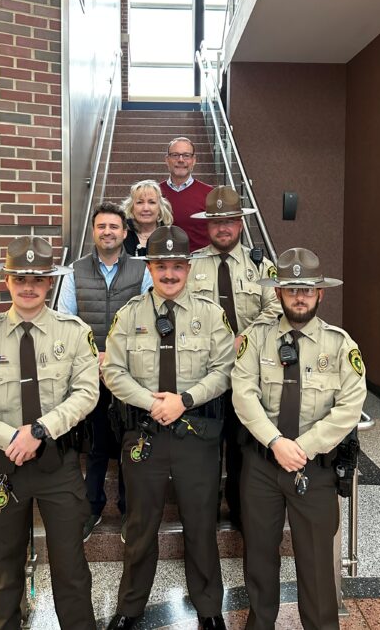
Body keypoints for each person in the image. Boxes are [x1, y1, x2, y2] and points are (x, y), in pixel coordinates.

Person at [0, 236, 100, 630]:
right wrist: (9, 437)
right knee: (4, 569)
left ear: (50, 283)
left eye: (37, 279)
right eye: (19, 278)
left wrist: (41, 430)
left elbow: (87, 393)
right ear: (7, 281)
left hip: (58, 466)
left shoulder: (74, 333)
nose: (28, 287)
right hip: (3, 468)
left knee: (71, 570)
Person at [103, 226, 235, 630]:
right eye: (161, 266)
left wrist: (184, 400)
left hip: (197, 435)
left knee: (201, 524)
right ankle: (130, 608)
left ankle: (209, 608)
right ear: (150, 269)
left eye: (177, 265)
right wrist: (153, 403)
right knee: (140, 527)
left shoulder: (210, 315)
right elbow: (113, 371)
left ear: (188, 268)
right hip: (145, 434)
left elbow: (224, 369)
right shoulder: (129, 314)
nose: (170, 273)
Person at [231, 248, 367, 630]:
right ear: (278, 293)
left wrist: (302, 448)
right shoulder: (256, 339)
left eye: (307, 289)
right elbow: (243, 395)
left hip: (315, 470)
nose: (300, 297)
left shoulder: (340, 345)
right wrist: (276, 442)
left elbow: (349, 408)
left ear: (320, 294)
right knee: (259, 558)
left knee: (317, 564)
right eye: (291, 289)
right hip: (262, 466)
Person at [58, 202, 152, 543]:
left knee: (130, 442)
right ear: (94, 231)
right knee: (96, 444)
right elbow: (65, 321)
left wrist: (114, 357)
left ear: (125, 233)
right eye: (102, 226)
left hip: (130, 372)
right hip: (91, 374)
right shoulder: (75, 271)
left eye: (114, 227)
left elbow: (149, 318)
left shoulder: (142, 270)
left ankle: (129, 510)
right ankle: (92, 508)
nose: (108, 232)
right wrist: (91, 358)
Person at [189, 185, 282, 527]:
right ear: (207, 226)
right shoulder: (191, 265)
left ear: (240, 223)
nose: (223, 228)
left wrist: (245, 337)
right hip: (206, 373)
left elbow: (275, 309)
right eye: (216, 222)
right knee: (205, 448)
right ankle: (206, 513)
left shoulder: (262, 266)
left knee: (245, 446)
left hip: (250, 373)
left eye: (229, 220)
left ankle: (242, 512)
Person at [159, 136, 212, 252]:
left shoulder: (210, 194)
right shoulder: (155, 194)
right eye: (175, 155)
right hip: (163, 259)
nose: (181, 160)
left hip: (200, 259)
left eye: (186, 155)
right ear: (167, 159)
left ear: (194, 160)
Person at [121, 179, 173, 257]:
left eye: (152, 202)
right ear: (131, 207)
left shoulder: (172, 237)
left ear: (160, 207)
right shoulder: (121, 235)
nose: (146, 208)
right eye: (140, 202)